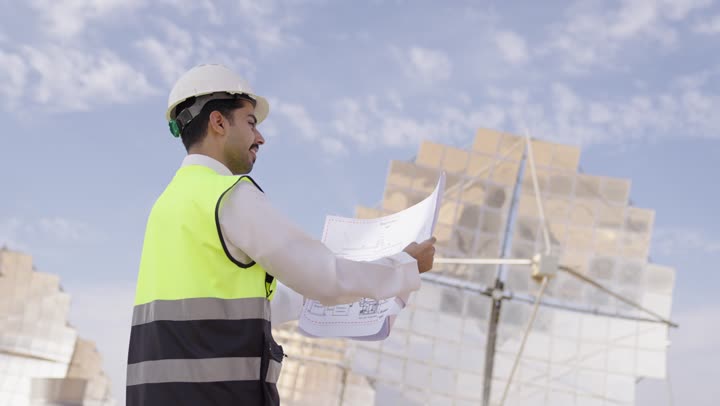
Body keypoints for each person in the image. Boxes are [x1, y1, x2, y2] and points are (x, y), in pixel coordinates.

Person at [126, 64, 437, 406]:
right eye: (250, 123)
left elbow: (225, 311)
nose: (260, 138)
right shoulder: (228, 195)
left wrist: (309, 298)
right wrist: (406, 266)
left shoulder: (168, 206)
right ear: (218, 122)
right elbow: (325, 278)